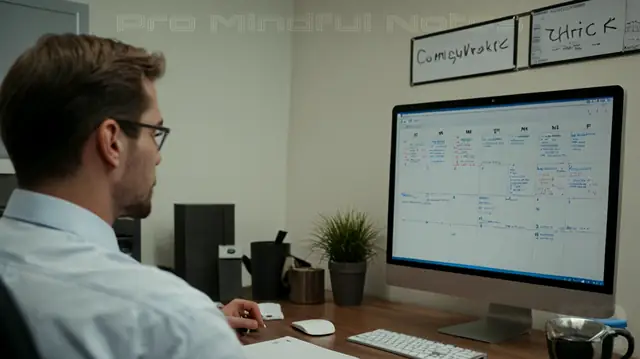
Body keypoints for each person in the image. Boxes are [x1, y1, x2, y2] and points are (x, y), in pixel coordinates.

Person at [0, 33, 261, 358]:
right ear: (112, 142)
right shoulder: (170, 319)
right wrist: (196, 328)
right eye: (154, 132)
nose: (158, 155)